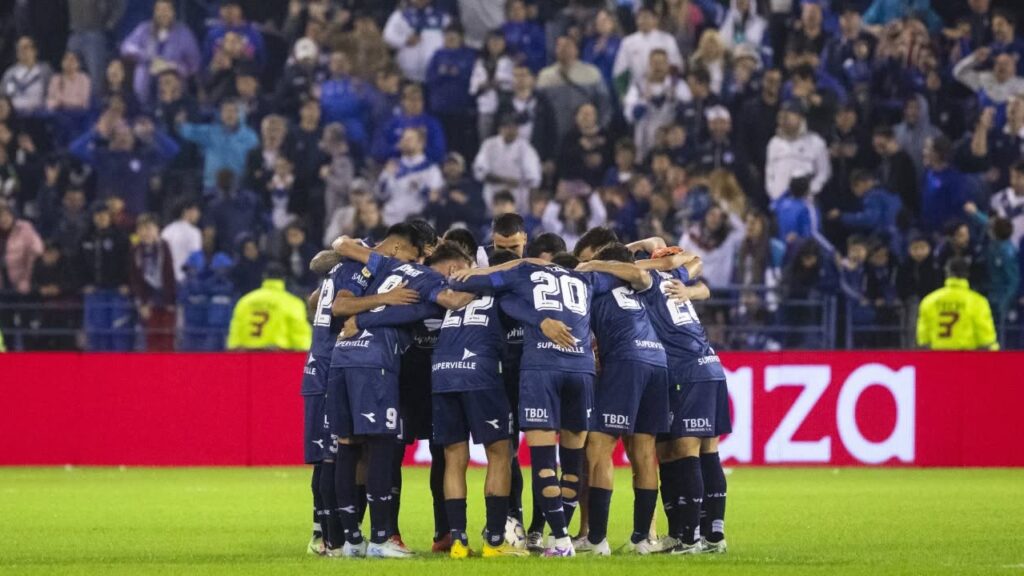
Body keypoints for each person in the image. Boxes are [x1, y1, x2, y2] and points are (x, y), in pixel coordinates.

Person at [329, 230, 476, 558]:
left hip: (343, 356)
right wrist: (482, 284)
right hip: (376, 362)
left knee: (348, 445)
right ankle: (382, 539)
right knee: (383, 443)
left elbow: (341, 254)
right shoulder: (427, 279)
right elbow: (453, 300)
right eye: (462, 270)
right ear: (453, 268)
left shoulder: (385, 265)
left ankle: (351, 540)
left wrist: (363, 317)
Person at [571, 243, 674, 555]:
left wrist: (592, 266)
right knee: (643, 452)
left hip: (626, 361)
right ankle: (642, 538)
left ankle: (596, 539)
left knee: (599, 447)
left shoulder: (597, 281)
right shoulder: (639, 284)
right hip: (657, 361)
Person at [119, 0, 201, 106]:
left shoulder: (184, 33)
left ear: (173, 12)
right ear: (154, 12)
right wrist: (146, 56)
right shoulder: (144, 29)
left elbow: (194, 64)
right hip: (145, 78)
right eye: (160, 10)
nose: (163, 13)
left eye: (166, 10)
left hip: (172, 83)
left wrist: (173, 67)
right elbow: (126, 47)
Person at [916, 258, 999, 350]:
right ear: (967, 274)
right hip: (966, 358)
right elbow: (985, 336)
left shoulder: (929, 301)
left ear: (946, 273)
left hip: (938, 356)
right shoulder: (977, 301)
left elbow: (923, 338)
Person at [226, 262, 311, 351]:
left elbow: (234, 336)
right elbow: (300, 338)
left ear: (264, 277)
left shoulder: (245, 301)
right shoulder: (292, 303)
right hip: (276, 357)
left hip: (247, 357)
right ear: (284, 279)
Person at [178, 99, 259, 192]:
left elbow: (255, 160)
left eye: (233, 111)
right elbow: (187, 131)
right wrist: (180, 122)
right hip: (212, 186)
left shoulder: (250, 137)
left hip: (238, 187)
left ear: (240, 114)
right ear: (220, 114)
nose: (230, 114)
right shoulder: (210, 132)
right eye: (226, 111)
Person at [473, 115, 541, 213]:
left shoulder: (525, 148)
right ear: (500, 129)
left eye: (514, 127)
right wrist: (504, 180)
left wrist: (532, 206)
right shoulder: (489, 145)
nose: (511, 130)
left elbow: (534, 179)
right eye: (507, 127)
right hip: (493, 195)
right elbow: (479, 172)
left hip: (518, 197)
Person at [765, 100, 830, 201]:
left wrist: (811, 189)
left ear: (800, 118)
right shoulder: (774, 143)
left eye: (789, 116)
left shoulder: (816, 142)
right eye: (782, 117)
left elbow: (823, 172)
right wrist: (774, 194)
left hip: (806, 201)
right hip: (780, 203)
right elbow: (769, 174)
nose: (785, 121)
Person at [376, 128, 444, 226]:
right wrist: (386, 175)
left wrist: (421, 188)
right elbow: (380, 194)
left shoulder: (431, 169)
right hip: (391, 221)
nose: (405, 141)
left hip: (416, 224)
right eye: (403, 138)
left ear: (421, 143)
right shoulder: (392, 165)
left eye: (410, 139)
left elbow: (434, 200)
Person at [129, 214, 176, 351]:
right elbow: (135, 278)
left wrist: (171, 301)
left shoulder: (164, 247)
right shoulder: (135, 250)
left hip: (167, 300)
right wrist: (142, 303)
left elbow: (170, 274)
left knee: (167, 337)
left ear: (157, 230)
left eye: (149, 229)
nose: (146, 233)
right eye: (142, 229)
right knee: (151, 338)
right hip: (148, 300)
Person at [613, 7, 683, 93]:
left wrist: (673, 86)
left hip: (665, 87)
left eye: (646, 17)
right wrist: (624, 94)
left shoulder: (667, 39)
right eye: (639, 18)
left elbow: (676, 66)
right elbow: (620, 72)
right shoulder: (628, 42)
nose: (642, 21)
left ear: (655, 20)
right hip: (638, 88)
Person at [383, 0, 451, 83]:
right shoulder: (400, 15)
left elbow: (452, 40)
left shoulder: (442, 17)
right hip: (407, 74)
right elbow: (387, 37)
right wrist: (405, 40)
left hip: (435, 74)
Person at [2, 37, 52, 115]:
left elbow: (52, 94)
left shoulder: (45, 71)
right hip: (14, 117)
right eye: (19, 48)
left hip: (39, 117)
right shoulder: (9, 74)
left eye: (25, 47)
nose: (22, 51)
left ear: (35, 51)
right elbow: (4, 95)